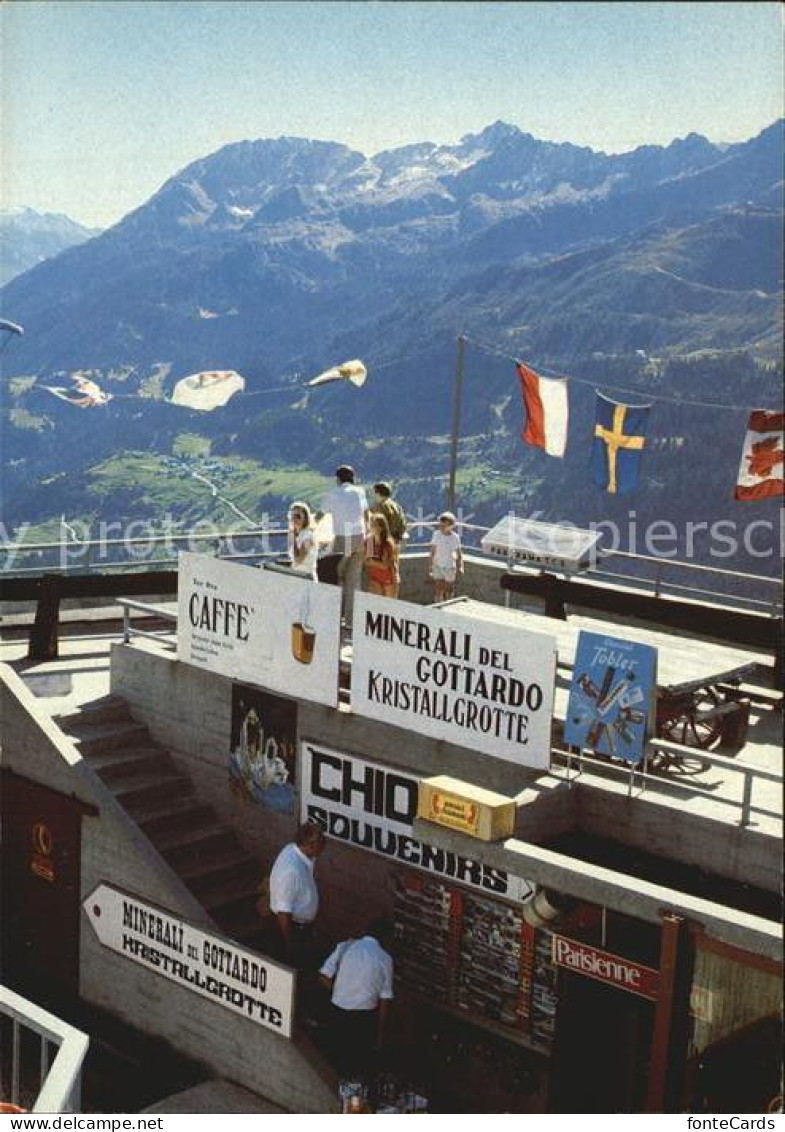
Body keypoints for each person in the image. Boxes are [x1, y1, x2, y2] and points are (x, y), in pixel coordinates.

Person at [319, 919, 395, 1079]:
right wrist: (380, 1034)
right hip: (362, 1020)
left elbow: (323, 977)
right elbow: (385, 1000)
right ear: (386, 939)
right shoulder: (385, 959)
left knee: (332, 1063)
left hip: (336, 1011)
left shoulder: (345, 946)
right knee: (356, 1067)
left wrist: (340, 991)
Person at [268, 821, 326, 968]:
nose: (323, 848)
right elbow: (283, 912)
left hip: (302, 927)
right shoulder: (291, 871)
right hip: (293, 929)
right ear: (310, 845)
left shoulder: (295, 851)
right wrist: (291, 943)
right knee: (297, 968)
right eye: (321, 844)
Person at [321, 465, 369, 626]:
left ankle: (336, 616)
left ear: (338, 478)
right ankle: (351, 620)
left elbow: (322, 513)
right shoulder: (360, 491)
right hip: (360, 536)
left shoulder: (333, 493)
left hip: (343, 537)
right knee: (354, 579)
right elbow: (366, 513)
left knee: (337, 575)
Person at [429, 510, 463, 602]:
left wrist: (460, 566)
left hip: (449, 566)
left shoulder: (455, 537)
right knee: (438, 588)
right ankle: (438, 606)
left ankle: (448, 605)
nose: (441, 527)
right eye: (440, 525)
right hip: (438, 565)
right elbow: (432, 550)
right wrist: (431, 566)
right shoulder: (436, 534)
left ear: (451, 526)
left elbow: (459, 553)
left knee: (449, 588)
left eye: (444, 526)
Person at [372, 482, 407, 569]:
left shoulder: (381, 506)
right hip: (396, 540)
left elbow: (377, 524)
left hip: (384, 541)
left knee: (384, 569)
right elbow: (403, 524)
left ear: (378, 493)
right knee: (394, 567)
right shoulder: (396, 505)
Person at [364, 513, 399, 598]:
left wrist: (374, 562)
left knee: (389, 607)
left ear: (381, 528)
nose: (370, 527)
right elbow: (367, 562)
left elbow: (386, 566)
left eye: (373, 525)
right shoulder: (369, 541)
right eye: (370, 524)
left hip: (389, 578)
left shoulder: (387, 543)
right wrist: (376, 563)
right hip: (375, 578)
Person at [287, 501, 319, 581]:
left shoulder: (308, 536)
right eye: (292, 516)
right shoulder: (298, 535)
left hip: (306, 578)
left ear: (305, 519)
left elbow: (298, 560)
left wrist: (293, 538)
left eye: (298, 516)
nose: (294, 519)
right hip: (297, 576)